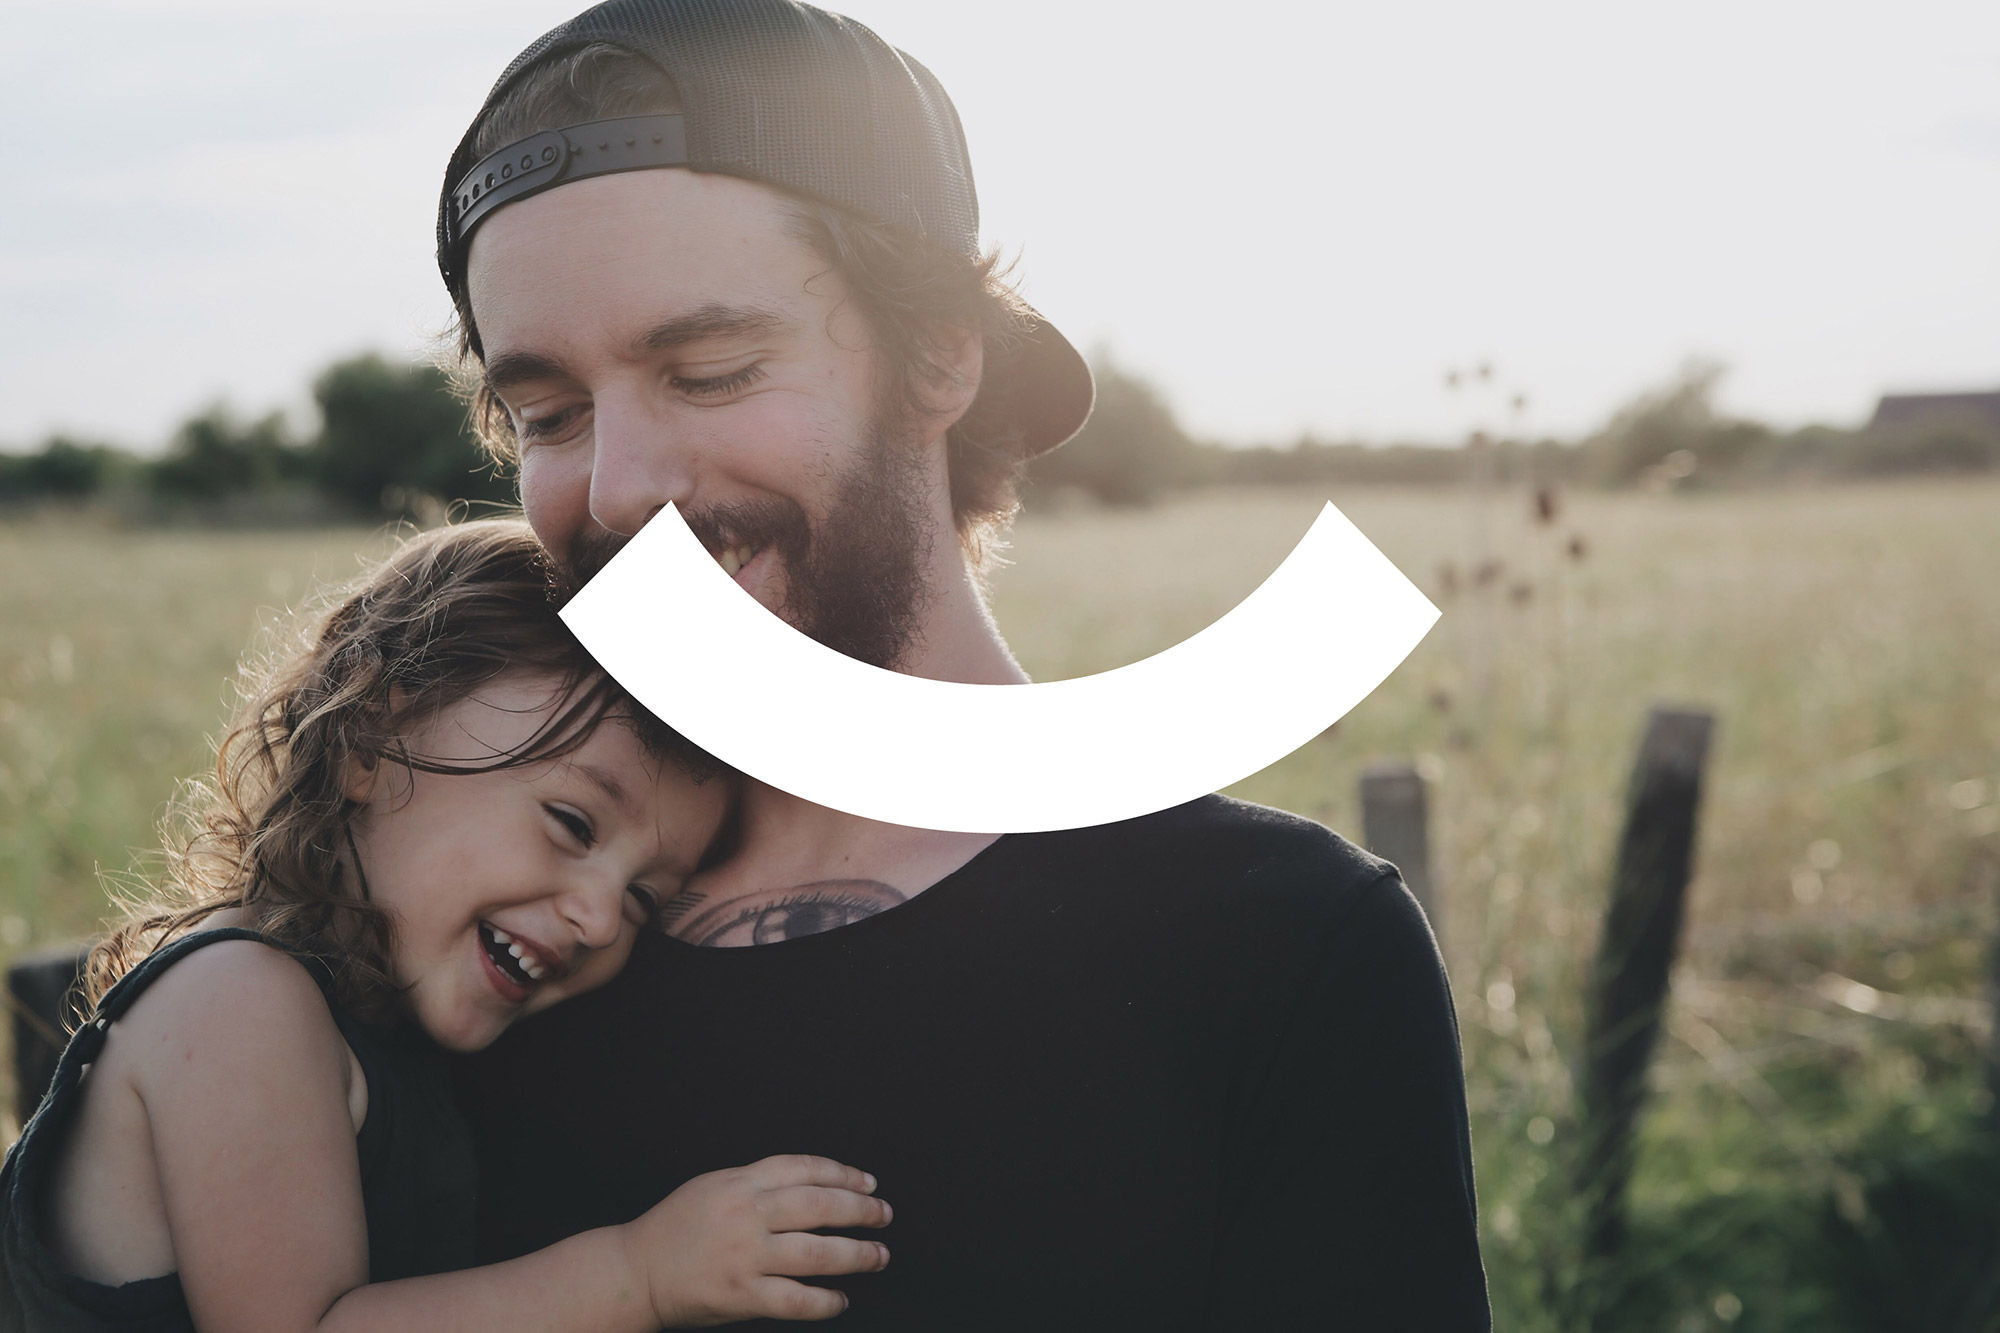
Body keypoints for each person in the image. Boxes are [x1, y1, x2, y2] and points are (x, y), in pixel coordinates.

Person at [443, 2, 1491, 1326]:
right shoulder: (488, 937)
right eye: (547, 414)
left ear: (940, 355)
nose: (617, 487)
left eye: (708, 370)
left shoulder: (1280, 944)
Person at [0, 519, 894, 1331]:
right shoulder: (239, 1002)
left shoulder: (383, 1033)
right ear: (369, 736)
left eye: (640, 900)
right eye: (572, 824)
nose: (595, 916)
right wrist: (642, 1273)